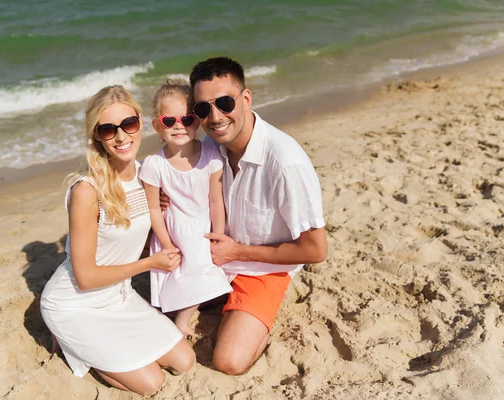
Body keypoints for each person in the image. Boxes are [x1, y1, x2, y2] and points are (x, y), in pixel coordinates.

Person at [40, 85, 195, 396]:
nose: (122, 137)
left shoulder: (147, 174)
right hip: (76, 304)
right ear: (98, 136)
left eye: (129, 124)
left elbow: (136, 232)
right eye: (109, 129)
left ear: (141, 123)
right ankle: (70, 341)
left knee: (185, 361)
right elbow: (85, 278)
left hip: (118, 297)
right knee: (152, 383)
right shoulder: (87, 191)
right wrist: (150, 263)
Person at [189, 57, 328, 375]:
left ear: (246, 99)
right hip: (217, 260)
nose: (215, 117)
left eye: (224, 103)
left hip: (264, 269)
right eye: (202, 109)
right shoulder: (212, 149)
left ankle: (262, 322)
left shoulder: (284, 161)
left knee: (228, 361)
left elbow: (316, 250)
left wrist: (237, 252)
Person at [139, 80, 233, 336]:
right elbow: (154, 210)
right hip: (173, 231)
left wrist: (219, 233)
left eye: (188, 119)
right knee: (183, 278)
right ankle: (181, 319)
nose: (179, 126)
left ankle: (187, 314)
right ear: (158, 125)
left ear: (197, 121)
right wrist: (166, 243)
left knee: (204, 270)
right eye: (170, 121)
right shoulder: (153, 165)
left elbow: (216, 200)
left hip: (202, 227)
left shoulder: (211, 154)